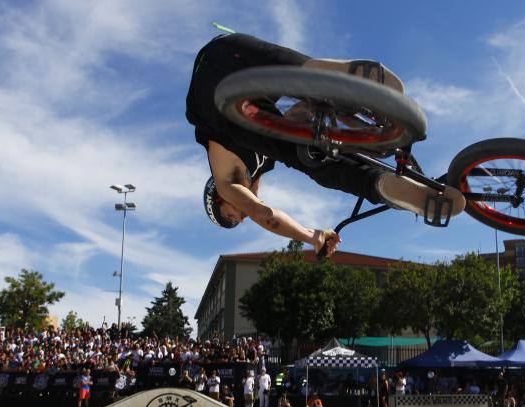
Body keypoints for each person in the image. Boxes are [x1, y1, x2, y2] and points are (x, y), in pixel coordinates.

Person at [186, 33, 465, 257]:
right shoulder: (261, 159)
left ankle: (331, 81)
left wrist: (311, 236)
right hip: (239, 67)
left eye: (230, 216)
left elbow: (265, 215)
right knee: (308, 152)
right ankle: (381, 183)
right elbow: (293, 119)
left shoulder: (227, 182)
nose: (241, 217)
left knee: (297, 151)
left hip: (209, 87)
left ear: (218, 198)